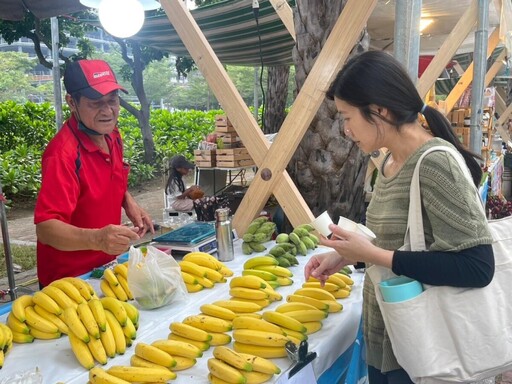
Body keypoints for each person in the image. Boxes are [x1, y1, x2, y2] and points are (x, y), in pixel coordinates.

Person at [304, 51, 495, 384]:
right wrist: (346, 256)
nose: (346, 130)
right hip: (389, 341)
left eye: (348, 117)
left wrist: (373, 256)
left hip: (426, 352)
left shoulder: (436, 164)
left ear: (379, 111)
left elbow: (477, 266)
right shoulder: (390, 162)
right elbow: (400, 243)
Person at [34, 59, 154, 287]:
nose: (108, 111)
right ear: (72, 102)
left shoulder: (112, 135)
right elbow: (46, 229)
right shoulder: (62, 154)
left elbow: (112, 177)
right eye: (95, 103)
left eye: (112, 101)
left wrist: (128, 202)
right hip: (68, 281)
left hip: (106, 268)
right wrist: (97, 239)